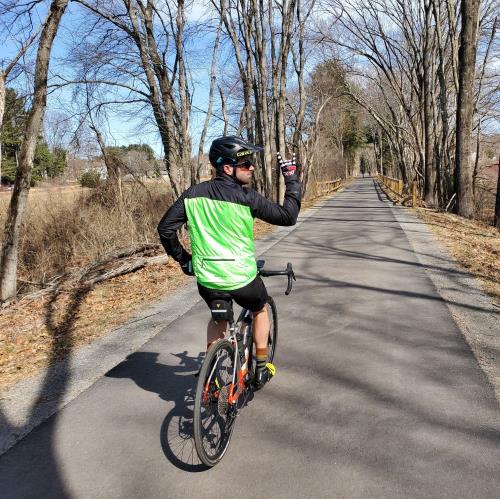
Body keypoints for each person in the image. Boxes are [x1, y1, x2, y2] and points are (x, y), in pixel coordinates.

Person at [157, 136, 301, 390]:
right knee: (259, 309)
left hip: (207, 279)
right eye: (245, 164)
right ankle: (261, 367)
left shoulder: (193, 195)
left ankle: (210, 378)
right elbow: (288, 216)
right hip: (241, 278)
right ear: (227, 168)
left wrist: (185, 260)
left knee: (218, 319)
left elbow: (165, 229)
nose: (251, 167)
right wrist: (291, 179)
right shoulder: (247, 197)